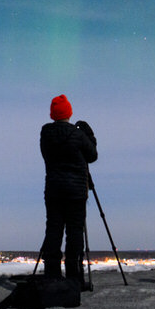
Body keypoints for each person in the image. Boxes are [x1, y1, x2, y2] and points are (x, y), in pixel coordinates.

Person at [39, 94, 98, 290]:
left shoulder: (45, 134)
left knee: (54, 231)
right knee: (74, 232)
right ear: (69, 113)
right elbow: (92, 155)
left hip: (54, 190)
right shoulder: (77, 135)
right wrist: (90, 136)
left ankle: (52, 276)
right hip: (76, 192)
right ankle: (74, 277)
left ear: (52, 114)